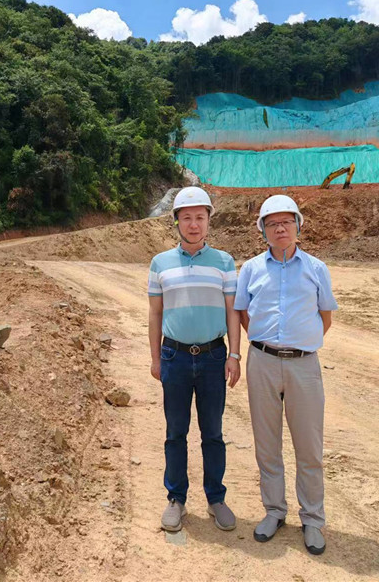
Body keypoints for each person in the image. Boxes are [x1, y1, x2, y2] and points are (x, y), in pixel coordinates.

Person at [233, 194, 338, 555]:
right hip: (262, 362)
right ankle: (274, 511)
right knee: (267, 443)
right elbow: (242, 312)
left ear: (298, 225)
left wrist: (300, 342)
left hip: (304, 365)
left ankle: (313, 518)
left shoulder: (316, 269)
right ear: (262, 230)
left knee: (309, 445)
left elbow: (325, 316)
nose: (280, 228)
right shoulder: (250, 269)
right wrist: (265, 343)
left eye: (287, 222)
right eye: (272, 223)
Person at [148, 186, 242, 533]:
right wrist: (155, 357)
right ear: (176, 222)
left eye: (199, 217)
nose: (193, 224)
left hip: (213, 356)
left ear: (208, 221)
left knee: (213, 432)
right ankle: (176, 498)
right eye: (186, 217)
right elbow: (155, 314)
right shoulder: (160, 263)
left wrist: (234, 354)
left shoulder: (224, 262)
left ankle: (216, 498)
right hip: (174, 356)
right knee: (175, 432)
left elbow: (233, 312)